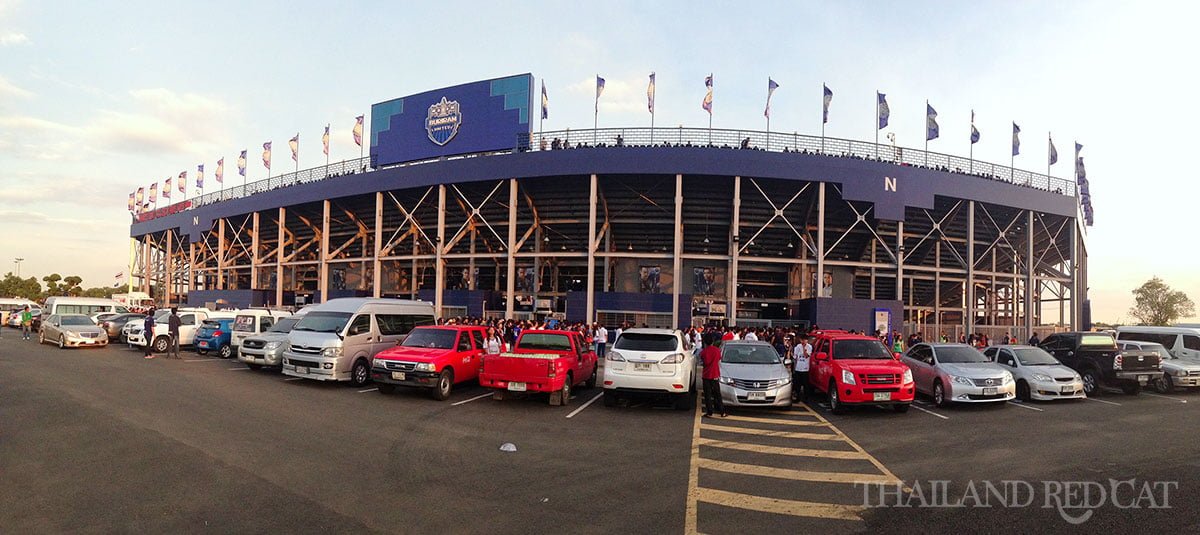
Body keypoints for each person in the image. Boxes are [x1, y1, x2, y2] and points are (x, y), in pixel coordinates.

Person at [699, 333, 726, 418]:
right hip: (715, 374)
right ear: (713, 341)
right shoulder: (717, 350)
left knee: (707, 394)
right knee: (717, 394)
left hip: (706, 375)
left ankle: (709, 412)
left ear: (705, 342)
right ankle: (722, 412)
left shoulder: (703, 352)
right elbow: (719, 359)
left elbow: (703, 361)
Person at [792, 334, 811, 400]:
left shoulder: (809, 347)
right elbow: (795, 357)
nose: (803, 341)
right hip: (798, 368)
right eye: (802, 340)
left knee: (806, 384)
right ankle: (797, 397)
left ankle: (806, 398)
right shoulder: (798, 346)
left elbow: (806, 356)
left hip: (805, 369)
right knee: (797, 384)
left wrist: (804, 349)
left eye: (805, 340)